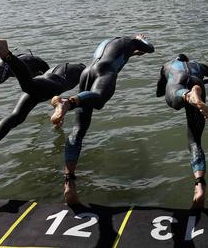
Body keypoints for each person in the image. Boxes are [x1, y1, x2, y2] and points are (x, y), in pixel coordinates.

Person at [49, 34, 154, 205]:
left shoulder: (110, 42)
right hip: (106, 71)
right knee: (99, 99)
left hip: (88, 72)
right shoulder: (131, 41)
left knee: (78, 130)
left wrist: (132, 53)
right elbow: (150, 48)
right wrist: (141, 39)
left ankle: (69, 182)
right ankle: (67, 102)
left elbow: (116, 55)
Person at [0, 37, 85, 182]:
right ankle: (6, 54)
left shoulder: (50, 78)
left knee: (17, 115)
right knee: (28, 86)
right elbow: (82, 98)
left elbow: (57, 97)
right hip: (58, 79)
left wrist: (59, 111)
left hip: (47, 83)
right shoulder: (81, 71)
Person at [156, 54, 208, 209]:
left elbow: (159, 92)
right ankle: (200, 183)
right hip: (198, 82)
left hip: (179, 85)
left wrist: (167, 82)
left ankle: (188, 95)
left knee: (174, 99)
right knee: (195, 141)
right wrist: (204, 81)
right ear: (188, 60)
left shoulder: (167, 65)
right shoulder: (199, 65)